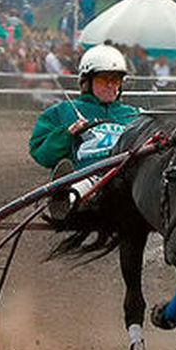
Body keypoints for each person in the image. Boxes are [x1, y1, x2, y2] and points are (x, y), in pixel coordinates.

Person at [30, 44, 141, 223]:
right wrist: (66, 134)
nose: (111, 86)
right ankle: (67, 199)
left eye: (116, 80)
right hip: (87, 176)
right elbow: (41, 154)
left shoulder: (134, 114)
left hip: (127, 179)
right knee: (86, 183)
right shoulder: (63, 111)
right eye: (104, 79)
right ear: (87, 82)